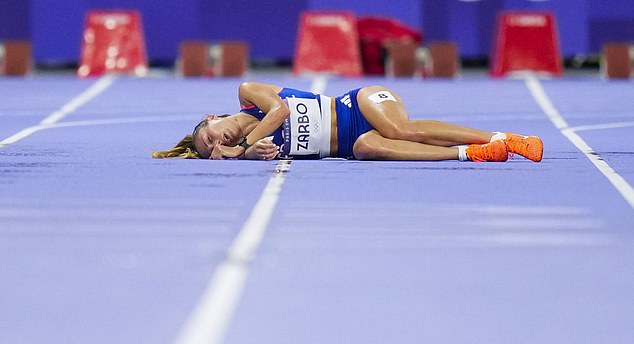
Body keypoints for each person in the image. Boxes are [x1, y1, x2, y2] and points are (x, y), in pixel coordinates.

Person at [152, 82, 543, 162]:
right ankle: (473, 152)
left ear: (212, 118)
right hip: (350, 142)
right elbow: (259, 155)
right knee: (369, 148)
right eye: (213, 150)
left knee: (399, 129)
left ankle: (508, 137)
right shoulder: (250, 150)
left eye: (213, 136)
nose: (220, 142)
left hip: (359, 103)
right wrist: (246, 156)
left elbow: (282, 111)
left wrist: (243, 144)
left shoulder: (248, 94)